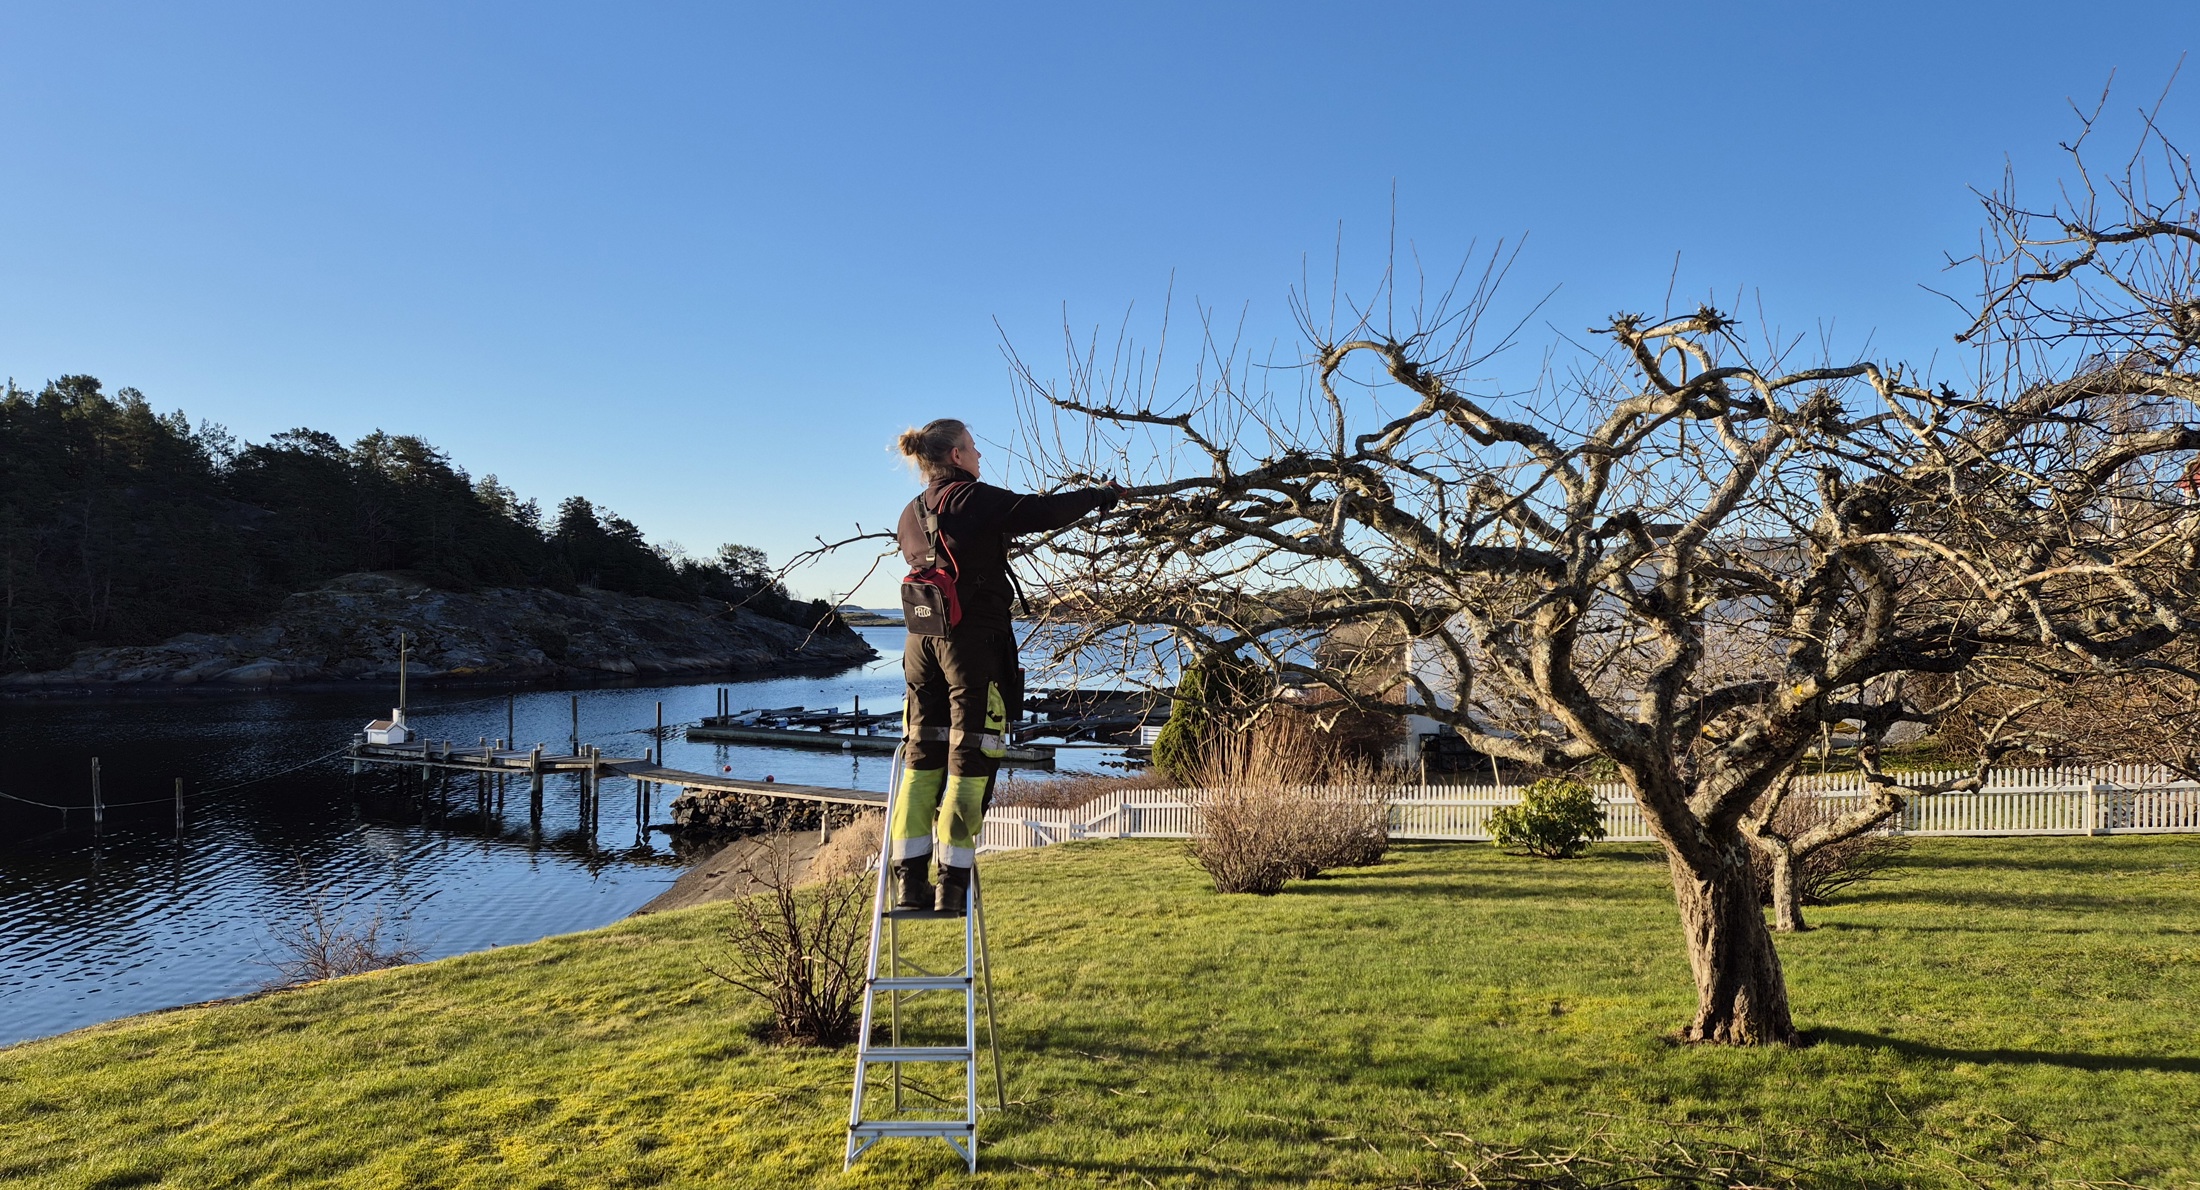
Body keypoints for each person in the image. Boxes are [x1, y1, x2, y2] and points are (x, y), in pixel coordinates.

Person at [891, 419, 1119, 914]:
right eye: (973, 449)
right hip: (970, 647)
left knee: (921, 759)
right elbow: (1041, 511)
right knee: (969, 760)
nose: (979, 458)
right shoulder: (970, 498)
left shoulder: (910, 512)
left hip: (919, 644)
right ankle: (953, 887)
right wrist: (1099, 496)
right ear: (955, 456)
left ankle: (909, 885)